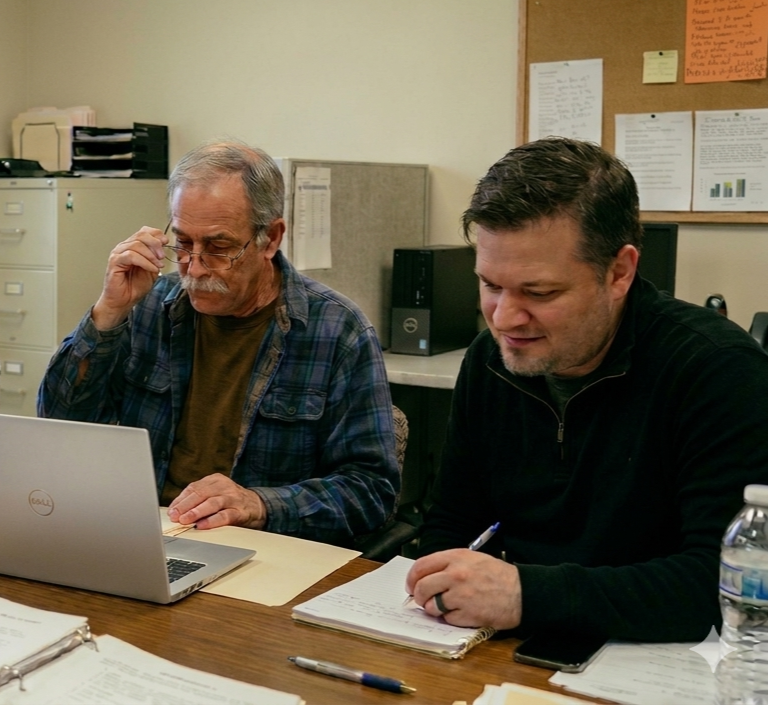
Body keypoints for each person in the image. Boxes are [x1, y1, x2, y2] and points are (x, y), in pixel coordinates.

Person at [405, 137, 768, 642]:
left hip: (656, 660)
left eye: (540, 292)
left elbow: (717, 584)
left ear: (619, 272)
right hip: (511, 645)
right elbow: (453, 525)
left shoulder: (716, 370)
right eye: (490, 285)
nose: (505, 318)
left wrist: (524, 595)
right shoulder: (490, 361)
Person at [38, 139, 399, 546]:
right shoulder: (150, 305)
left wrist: (258, 504)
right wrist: (108, 312)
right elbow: (58, 425)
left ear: (271, 238)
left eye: (218, 247)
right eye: (183, 243)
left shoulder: (337, 331)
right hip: (144, 534)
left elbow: (371, 492)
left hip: (264, 551)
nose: (193, 265)